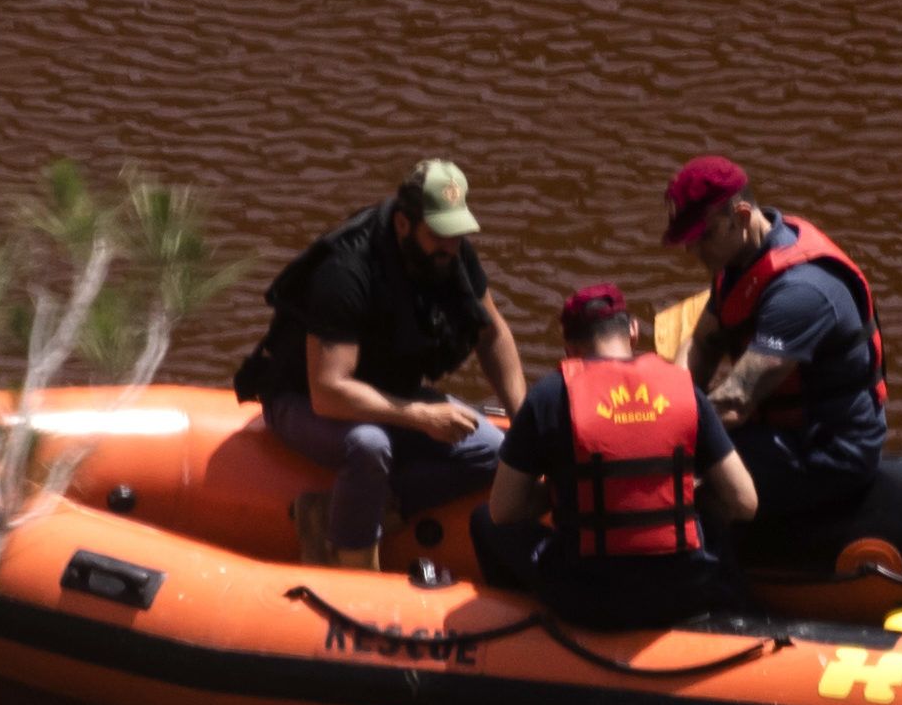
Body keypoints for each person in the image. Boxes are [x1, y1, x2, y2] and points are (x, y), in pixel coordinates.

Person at [231, 159, 527, 563]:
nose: (451, 247)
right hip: (301, 399)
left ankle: (336, 512)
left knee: (497, 452)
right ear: (404, 224)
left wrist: (526, 429)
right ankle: (352, 565)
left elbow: (492, 335)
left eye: (457, 234)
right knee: (369, 444)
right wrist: (422, 417)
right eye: (439, 234)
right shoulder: (346, 269)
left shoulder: (449, 255)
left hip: (387, 392)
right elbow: (329, 393)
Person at [483, 283, 760, 630]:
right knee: (713, 526)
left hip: (590, 602)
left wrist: (562, 492)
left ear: (569, 348)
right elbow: (744, 501)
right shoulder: (682, 388)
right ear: (633, 331)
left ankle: (522, 639)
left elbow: (503, 509)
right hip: (684, 592)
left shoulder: (548, 396)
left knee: (484, 522)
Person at [656, 153, 886, 525]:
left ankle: (714, 577)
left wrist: (654, 435)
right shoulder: (737, 260)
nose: (693, 251)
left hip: (828, 450)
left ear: (741, 217)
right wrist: (670, 400)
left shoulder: (800, 293)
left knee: (677, 498)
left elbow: (734, 402)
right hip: (773, 428)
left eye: (704, 236)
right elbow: (702, 344)